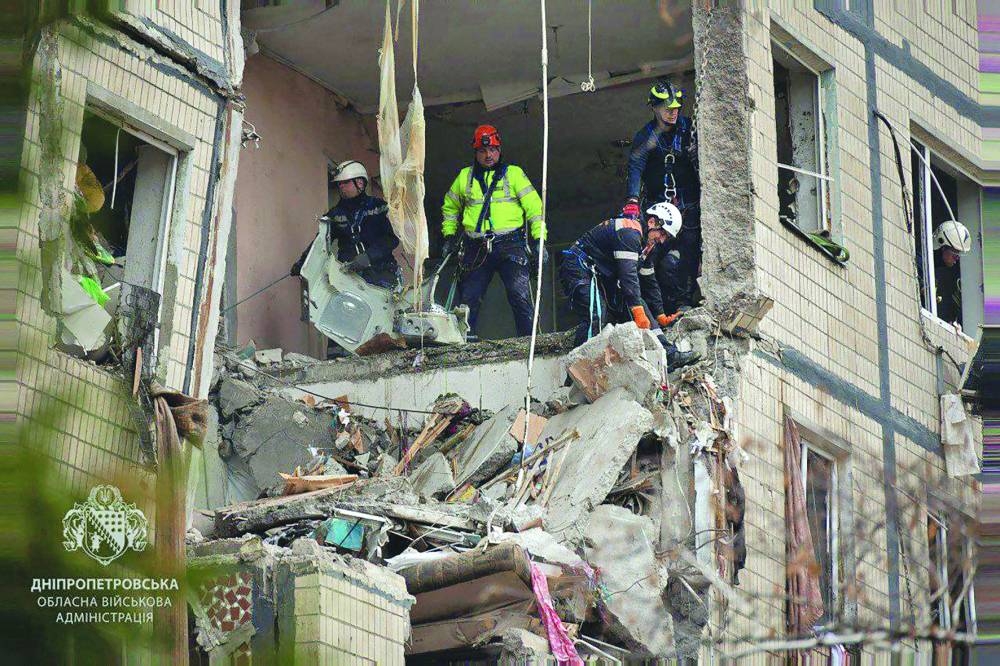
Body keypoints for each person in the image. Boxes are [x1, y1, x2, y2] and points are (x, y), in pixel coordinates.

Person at [559, 201, 700, 372]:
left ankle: (668, 353)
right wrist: (638, 312)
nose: (662, 240)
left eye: (666, 237)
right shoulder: (629, 233)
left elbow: (649, 282)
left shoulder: (648, 245)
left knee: (637, 302)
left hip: (602, 273)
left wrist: (660, 314)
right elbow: (628, 277)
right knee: (596, 315)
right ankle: (576, 374)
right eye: (662, 233)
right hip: (579, 267)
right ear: (652, 222)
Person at [440, 125, 546, 337]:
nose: (488, 155)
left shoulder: (514, 174)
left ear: (500, 150)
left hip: (511, 244)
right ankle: (465, 344)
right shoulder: (465, 177)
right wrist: (449, 235)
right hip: (475, 247)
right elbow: (450, 208)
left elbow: (535, 210)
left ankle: (528, 341)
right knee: (469, 299)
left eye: (493, 150)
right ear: (476, 152)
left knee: (519, 294)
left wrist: (539, 240)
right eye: (482, 151)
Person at [622, 78, 702, 315]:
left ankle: (684, 301)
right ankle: (659, 309)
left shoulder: (689, 130)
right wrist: (632, 201)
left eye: (676, 108)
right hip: (660, 208)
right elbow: (635, 167)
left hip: (688, 207)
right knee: (657, 259)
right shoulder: (645, 137)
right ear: (655, 108)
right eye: (667, 109)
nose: (672, 113)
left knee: (688, 252)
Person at [291, 160, 400, 288]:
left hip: (383, 274)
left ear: (360, 183)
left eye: (345, 182)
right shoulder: (334, 214)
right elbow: (320, 242)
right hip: (349, 278)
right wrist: (302, 264)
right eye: (339, 183)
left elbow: (392, 238)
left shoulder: (379, 206)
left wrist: (369, 256)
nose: (341, 186)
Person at [932, 220, 972, 324]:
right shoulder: (923, 265)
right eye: (955, 254)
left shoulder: (953, 278)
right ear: (943, 247)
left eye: (958, 255)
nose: (957, 259)